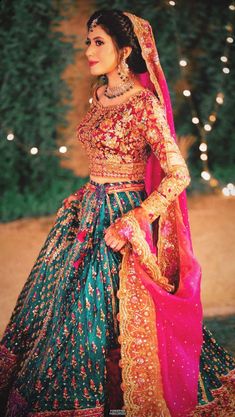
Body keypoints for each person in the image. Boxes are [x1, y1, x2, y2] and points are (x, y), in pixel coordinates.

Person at [0, 9, 234, 417]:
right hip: (86, 215)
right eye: (88, 41)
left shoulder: (144, 104)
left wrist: (136, 218)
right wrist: (80, 195)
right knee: (66, 309)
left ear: (125, 51)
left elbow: (178, 174)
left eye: (98, 42)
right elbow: (105, 163)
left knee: (98, 312)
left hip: (121, 223)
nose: (88, 50)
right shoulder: (100, 95)